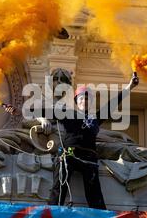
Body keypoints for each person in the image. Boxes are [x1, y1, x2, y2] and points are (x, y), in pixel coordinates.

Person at [39, 73, 139, 209]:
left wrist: (130, 86)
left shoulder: (95, 119)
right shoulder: (68, 114)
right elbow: (37, 111)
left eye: (87, 98)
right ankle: (50, 214)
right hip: (69, 155)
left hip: (89, 158)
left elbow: (113, 104)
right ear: (76, 101)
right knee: (59, 188)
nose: (84, 100)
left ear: (90, 101)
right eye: (81, 98)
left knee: (95, 195)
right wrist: (42, 120)